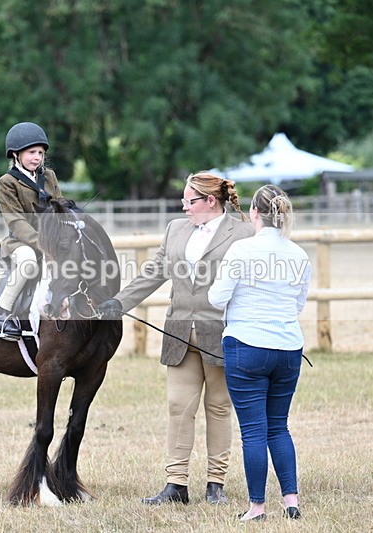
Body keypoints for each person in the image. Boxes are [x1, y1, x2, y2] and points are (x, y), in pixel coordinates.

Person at [98, 171, 253, 505]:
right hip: (180, 331)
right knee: (177, 407)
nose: (184, 207)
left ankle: (216, 484)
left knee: (219, 406)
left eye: (190, 201)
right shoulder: (176, 229)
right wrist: (119, 302)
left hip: (223, 333)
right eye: (183, 201)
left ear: (211, 201)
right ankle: (176, 484)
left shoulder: (242, 233)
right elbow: (154, 271)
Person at [207, 184, 312, 521]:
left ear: (254, 213)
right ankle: (291, 501)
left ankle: (257, 507)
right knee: (279, 427)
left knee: (253, 430)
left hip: (247, 346)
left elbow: (217, 298)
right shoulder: (299, 255)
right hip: (288, 349)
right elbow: (297, 305)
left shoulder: (241, 250)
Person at [0, 122, 63, 340]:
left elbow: (59, 205)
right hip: (21, 242)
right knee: (29, 261)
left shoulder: (48, 176)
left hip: (51, 239)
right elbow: (15, 220)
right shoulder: (7, 182)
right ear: (15, 154)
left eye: (40, 153)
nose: (37, 157)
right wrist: (40, 241)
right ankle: (2, 313)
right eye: (32, 152)